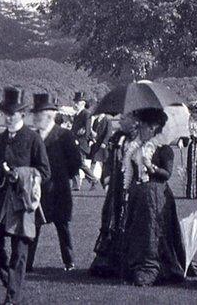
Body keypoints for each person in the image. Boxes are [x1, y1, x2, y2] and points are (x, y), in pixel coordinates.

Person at [0, 87, 51, 305]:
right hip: (1, 199)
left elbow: (44, 171)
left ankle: (12, 298)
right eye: (6, 113)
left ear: (22, 114)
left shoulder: (33, 139)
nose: (8, 118)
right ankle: (9, 280)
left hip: (23, 203)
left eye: (12, 114)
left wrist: (21, 174)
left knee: (20, 252)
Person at [121, 107, 188, 286]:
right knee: (138, 230)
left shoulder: (163, 149)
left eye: (142, 126)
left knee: (154, 231)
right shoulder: (136, 147)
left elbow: (167, 174)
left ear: (153, 128)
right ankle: (136, 264)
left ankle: (152, 267)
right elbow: (131, 171)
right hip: (138, 195)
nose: (139, 129)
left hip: (156, 196)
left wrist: (152, 167)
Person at [27, 93, 83, 272]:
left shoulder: (64, 135)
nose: (36, 117)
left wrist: (62, 178)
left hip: (59, 191)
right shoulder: (32, 135)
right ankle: (26, 263)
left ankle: (69, 262)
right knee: (33, 228)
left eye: (39, 113)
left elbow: (76, 162)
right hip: (37, 191)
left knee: (62, 227)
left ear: (50, 114)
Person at [88, 113, 137, 278]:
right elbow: (108, 160)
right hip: (116, 186)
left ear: (134, 121)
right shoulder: (118, 139)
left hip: (134, 185)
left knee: (130, 219)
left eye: (124, 118)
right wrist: (107, 177)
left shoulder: (142, 140)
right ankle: (110, 260)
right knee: (112, 219)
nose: (121, 120)